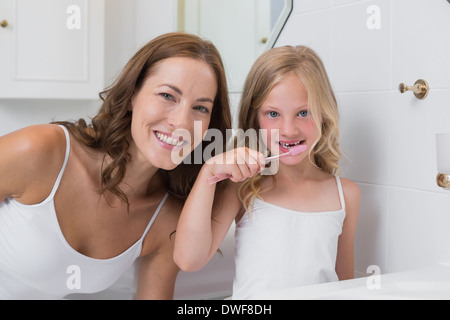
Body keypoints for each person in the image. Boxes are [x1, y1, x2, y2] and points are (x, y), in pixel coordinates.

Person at [0, 32, 231, 300]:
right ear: (133, 94)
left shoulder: (165, 219)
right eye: (167, 95)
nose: (181, 122)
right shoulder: (42, 151)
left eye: (200, 108)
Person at [174, 45, 360, 299]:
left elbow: (345, 287)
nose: (288, 129)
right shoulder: (243, 187)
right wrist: (209, 170)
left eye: (303, 113)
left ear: (324, 114)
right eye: (273, 114)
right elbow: (188, 260)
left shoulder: (346, 195)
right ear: (255, 119)